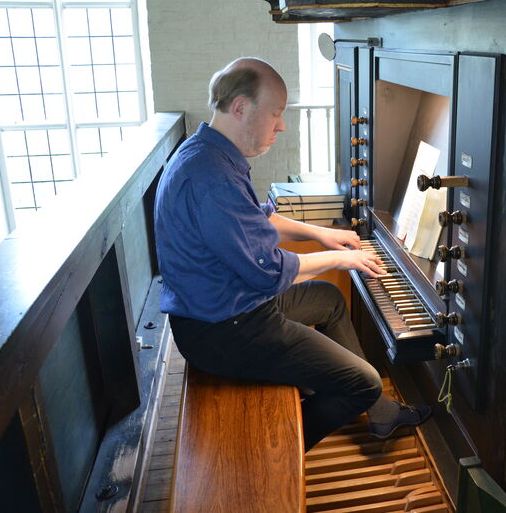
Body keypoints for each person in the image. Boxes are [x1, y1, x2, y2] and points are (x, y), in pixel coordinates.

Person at [154, 57, 430, 450]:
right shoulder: (213, 178)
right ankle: (278, 450)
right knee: (364, 382)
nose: (281, 125)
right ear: (240, 107)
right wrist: (342, 259)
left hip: (224, 308)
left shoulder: (208, 153)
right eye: (276, 113)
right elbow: (268, 273)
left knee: (329, 299)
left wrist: (323, 234)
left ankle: (381, 415)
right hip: (225, 331)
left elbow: (260, 218)